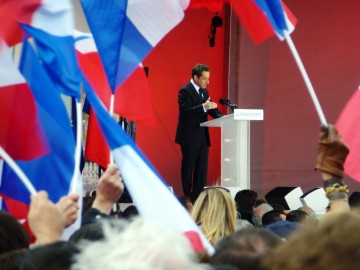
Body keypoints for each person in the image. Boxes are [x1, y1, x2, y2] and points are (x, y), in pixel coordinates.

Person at [175, 63, 223, 201]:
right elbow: (185, 112)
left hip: (202, 137)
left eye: (208, 78)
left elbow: (211, 109)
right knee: (189, 166)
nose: (208, 82)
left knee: (202, 168)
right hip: (189, 136)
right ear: (195, 77)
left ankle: (198, 196)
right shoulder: (185, 91)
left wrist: (223, 117)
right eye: (204, 78)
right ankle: (188, 196)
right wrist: (203, 106)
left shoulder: (204, 91)